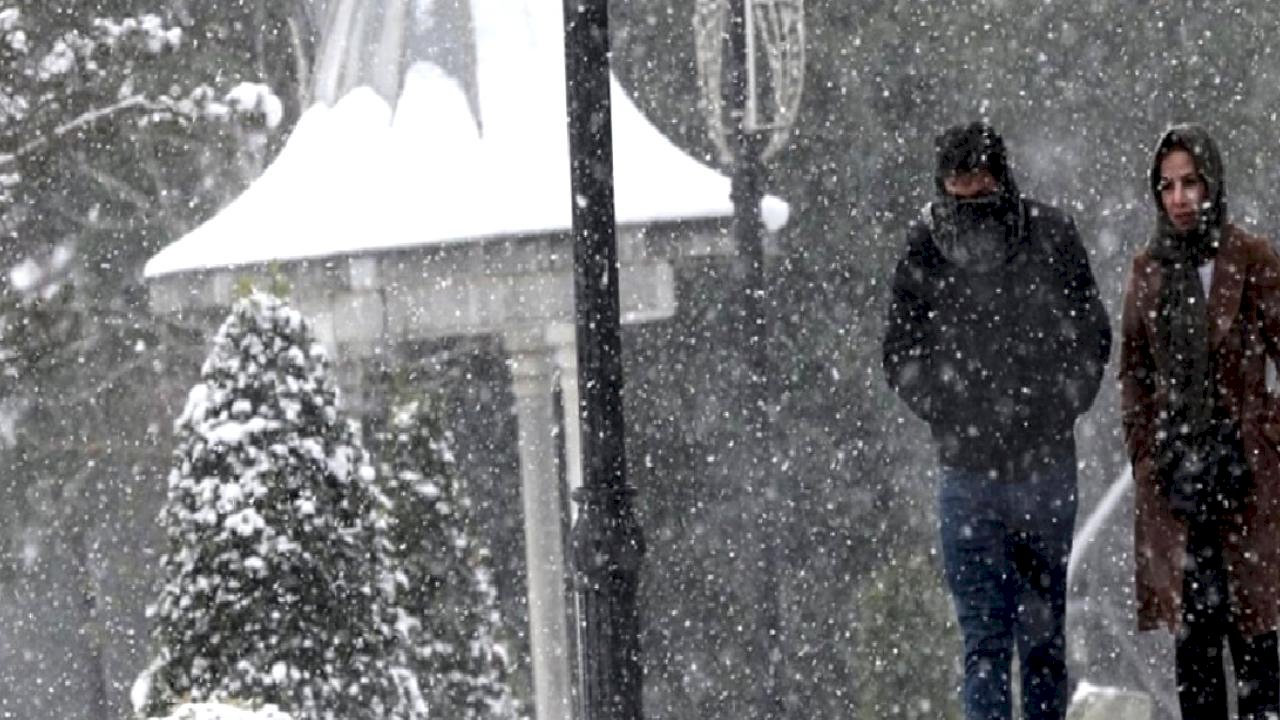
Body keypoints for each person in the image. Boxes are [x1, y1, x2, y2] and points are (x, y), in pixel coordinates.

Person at [882, 121, 1111, 720]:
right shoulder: (932, 245)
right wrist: (958, 411)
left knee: (1015, 645)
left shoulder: (1047, 236)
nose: (969, 203)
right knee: (1013, 643)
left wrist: (1040, 407)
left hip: (1018, 468)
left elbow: (1090, 337)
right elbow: (900, 351)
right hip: (985, 470)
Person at [1120, 124, 1280, 720]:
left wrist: (1264, 435)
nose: (1180, 198)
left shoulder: (1251, 257)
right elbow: (1133, 372)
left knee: (1258, 646)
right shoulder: (1149, 269)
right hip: (1178, 485)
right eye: (1168, 186)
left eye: (1190, 183)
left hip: (1245, 480)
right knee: (1196, 653)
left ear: (1212, 182)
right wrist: (1147, 453)